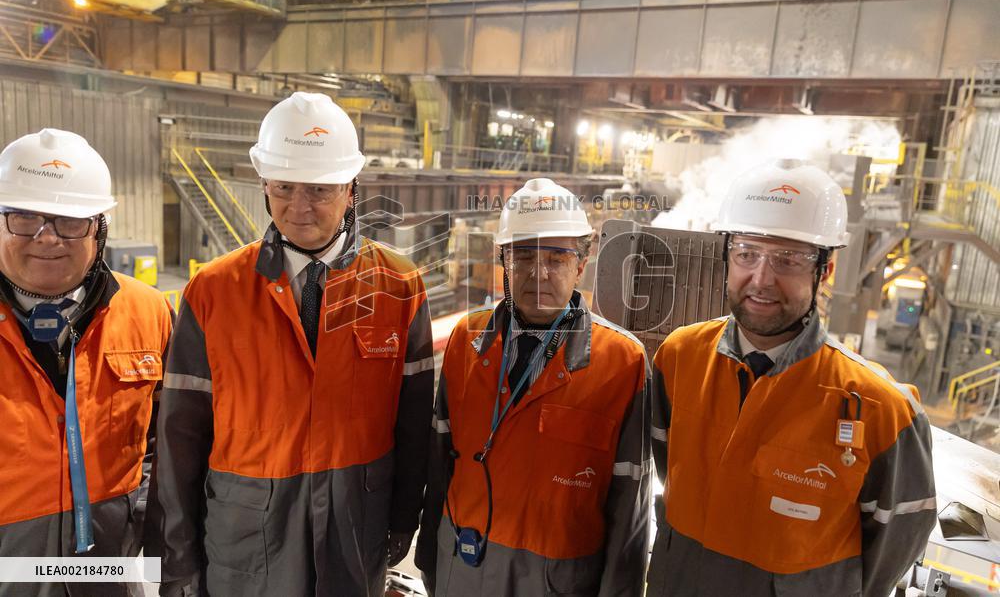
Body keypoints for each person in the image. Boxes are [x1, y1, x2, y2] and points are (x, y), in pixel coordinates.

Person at [155, 92, 434, 596]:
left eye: (319, 190)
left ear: (351, 190)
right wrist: (177, 556)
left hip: (354, 529)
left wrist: (402, 521)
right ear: (264, 185)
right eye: (283, 186)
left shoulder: (399, 285)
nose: (299, 207)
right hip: (246, 537)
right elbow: (180, 435)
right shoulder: (214, 290)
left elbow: (414, 424)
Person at [646, 159, 936, 596]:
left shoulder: (882, 410)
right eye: (747, 254)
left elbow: (892, 549)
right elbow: (671, 470)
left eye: (788, 259)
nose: (761, 279)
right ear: (727, 255)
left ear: (826, 270)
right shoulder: (680, 357)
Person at [416, 178, 650, 596]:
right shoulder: (465, 341)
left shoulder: (622, 363)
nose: (538, 273)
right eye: (523, 255)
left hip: (555, 584)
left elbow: (629, 507)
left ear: (582, 262)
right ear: (504, 260)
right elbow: (438, 465)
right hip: (463, 570)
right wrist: (430, 563)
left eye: (557, 258)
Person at [0, 128, 173, 596]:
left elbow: (170, 436)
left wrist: (136, 511)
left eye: (70, 220)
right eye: (24, 216)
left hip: (109, 571)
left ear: (100, 227)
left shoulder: (148, 311)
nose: (48, 237)